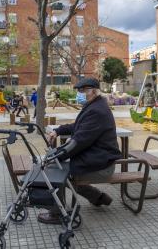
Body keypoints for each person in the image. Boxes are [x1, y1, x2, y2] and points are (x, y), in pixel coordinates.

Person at [38, 77, 122, 225]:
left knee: (57, 171)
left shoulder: (97, 110)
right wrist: (58, 131)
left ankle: (57, 214)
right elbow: (77, 126)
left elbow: (79, 142)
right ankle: (98, 197)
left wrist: (57, 156)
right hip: (97, 158)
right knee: (62, 168)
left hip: (102, 164)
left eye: (83, 91)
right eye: (78, 91)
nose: (79, 94)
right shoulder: (93, 106)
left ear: (94, 92)